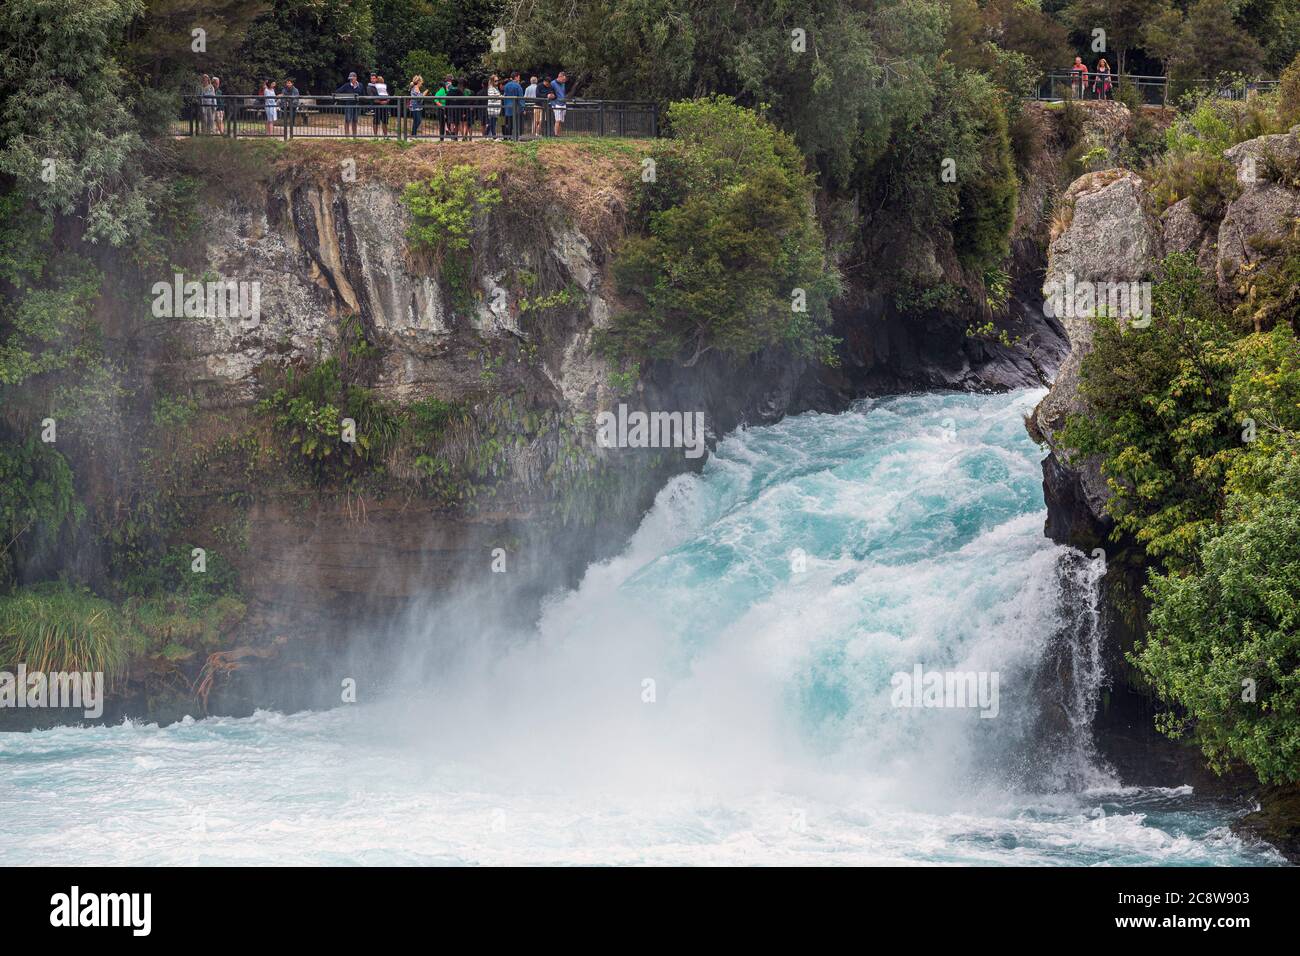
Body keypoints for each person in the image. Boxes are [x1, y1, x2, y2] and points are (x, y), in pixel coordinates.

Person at [336, 72, 363, 136]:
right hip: (348, 105)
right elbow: (338, 91)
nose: (351, 80)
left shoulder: (360, 85)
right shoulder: (346, 85)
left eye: (352, 78)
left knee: (355, 120)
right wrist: (344, 97)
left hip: (357, 105)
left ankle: (354, 135)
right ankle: (347, 135)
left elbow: (363, 94)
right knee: (347, 120)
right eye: (350, 79)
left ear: (356, 78)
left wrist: (361, 101)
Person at [502, 71, 524, 139]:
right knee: (516, 124)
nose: (519, 79)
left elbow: (504, 96)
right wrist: (523, 108)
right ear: (516, 77)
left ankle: (508, 137)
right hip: (516, 109)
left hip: (507, 108)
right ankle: (516, 138)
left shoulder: (506, 86)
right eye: (519, 77)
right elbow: (520, 98)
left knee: (509, 124)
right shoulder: (518, 86)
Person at [434, 75, 452, 140]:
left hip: (441, 109)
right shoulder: (446, 91)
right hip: (447, 109)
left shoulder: (439, 92)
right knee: (449, 122)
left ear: (439, 86)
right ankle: (451, 136)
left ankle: (442, 138)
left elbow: (436, 100)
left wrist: (441, 106)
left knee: (441, 124)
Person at [550, 71, 567, 137]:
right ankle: (556, 135)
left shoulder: (563, 83)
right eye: (563, 79)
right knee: (558, 120)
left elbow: (563, 93)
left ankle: (559, 135)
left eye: (565, 80)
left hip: (563, 103)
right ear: (559, 77)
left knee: (561, 121)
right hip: (556, 103)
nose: (564, 81)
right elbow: (550, 93)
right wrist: (553, 103)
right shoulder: (553, 83)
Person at [486, 74, 502, 140]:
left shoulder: (495, 88)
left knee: (492, 123)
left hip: (496, 109)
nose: (497, 82)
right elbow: (492, 97)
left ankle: (487, 135)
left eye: (497, 81)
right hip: (492, 108)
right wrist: (499, 97)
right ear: (492, 81)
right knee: (492, 123)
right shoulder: (491, 88)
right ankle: (494, 137)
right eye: (495, 81)